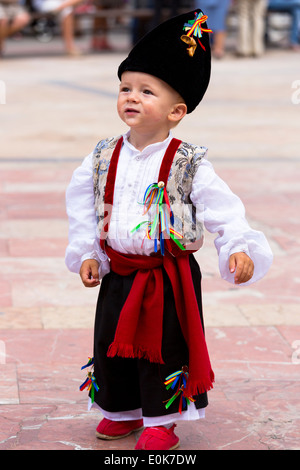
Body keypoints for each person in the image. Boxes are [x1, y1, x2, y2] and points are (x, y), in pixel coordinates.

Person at [65, 9, 273, 450]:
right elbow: (82, 207)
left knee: (163, 349)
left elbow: (223, 209)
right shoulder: (102, 156)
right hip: (119, 272)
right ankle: (121, 411)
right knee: (111, 345)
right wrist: (87, 252)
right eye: (125, 88)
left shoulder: (190, 162)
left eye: (146, 91)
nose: (131, 97)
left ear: (177, 111)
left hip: (166, 278)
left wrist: (237, 245)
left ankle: (163, 420)